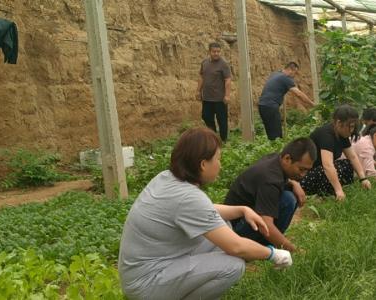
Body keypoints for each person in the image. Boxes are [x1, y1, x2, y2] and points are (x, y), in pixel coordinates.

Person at [118, 128, 292, 300]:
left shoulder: (167, 178)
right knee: (233, 265)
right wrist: (273, 254)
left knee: (224, 225)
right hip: (147, 283)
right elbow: (236, 246)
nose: (220, 165)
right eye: (218, 159)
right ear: (203, 164)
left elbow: (204, 210)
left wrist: (242, 209)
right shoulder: (188, 196)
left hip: (145, 269)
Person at [224, 138, 316, 253]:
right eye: (301, 169)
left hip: (240, 219)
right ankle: (265, 248)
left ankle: (270, 243)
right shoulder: (270, 179)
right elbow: (266, 226)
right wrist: (294, 251)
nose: (303, 175)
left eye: (307, 170)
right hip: (234, 232)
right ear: (287, 159)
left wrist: (294, 183)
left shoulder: (275, 159)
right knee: (288, 200)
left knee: (288, 196)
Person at [300, 104, 371, 201]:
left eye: (353, 127)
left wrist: (363, 178)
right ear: (338, 122)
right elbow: (327, 165)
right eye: (349, 126)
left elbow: (352, 157)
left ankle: (330, 191)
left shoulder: (342, 134)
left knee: (346, 164)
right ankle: (322, 195)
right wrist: (339, 190)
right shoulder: (326, 135)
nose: (352, 130)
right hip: (304, 177)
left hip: (318, 171)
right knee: (330, 170)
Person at [258, 62, 315, 140]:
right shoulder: (286, 78)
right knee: (277, 135)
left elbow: (276, 88)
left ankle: (272, 149)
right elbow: (298, 94)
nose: (294, 76)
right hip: (270, 106)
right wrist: (312, 104)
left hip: (262, 106)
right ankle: (277, 150)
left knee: (271, 133)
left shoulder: (275, 74)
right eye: (295, 73)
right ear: (291, 70)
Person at [196, 42, 232, 142]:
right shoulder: (204, 63)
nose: (216, 53)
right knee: (206, 117)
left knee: (222, 121)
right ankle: (213, 138)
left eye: (218, 51)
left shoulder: (223, 64)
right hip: (207, 98)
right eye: (214, 51)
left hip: (220, 99)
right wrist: (198, 91)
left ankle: (224, 140)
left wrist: (227, 95)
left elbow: (228, 80)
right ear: (209, 52)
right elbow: (201, 77)